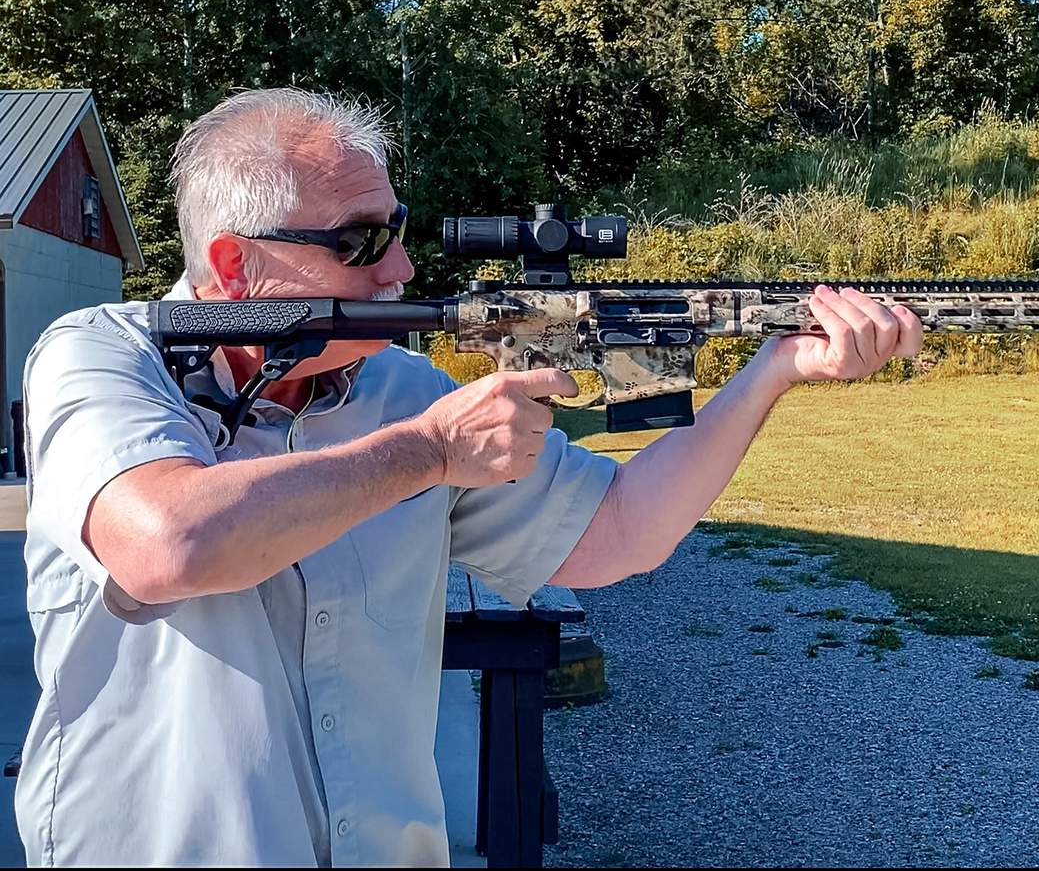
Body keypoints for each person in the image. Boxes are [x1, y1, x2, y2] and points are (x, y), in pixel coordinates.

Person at [13, 88, 924, 867]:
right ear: (235, 263)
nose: (402, 268)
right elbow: (167, 543)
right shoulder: (101, 355)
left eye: (399, 233)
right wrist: (427, 452)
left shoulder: (401, 387)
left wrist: (772, 372)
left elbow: (621, 531)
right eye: (363, 243)